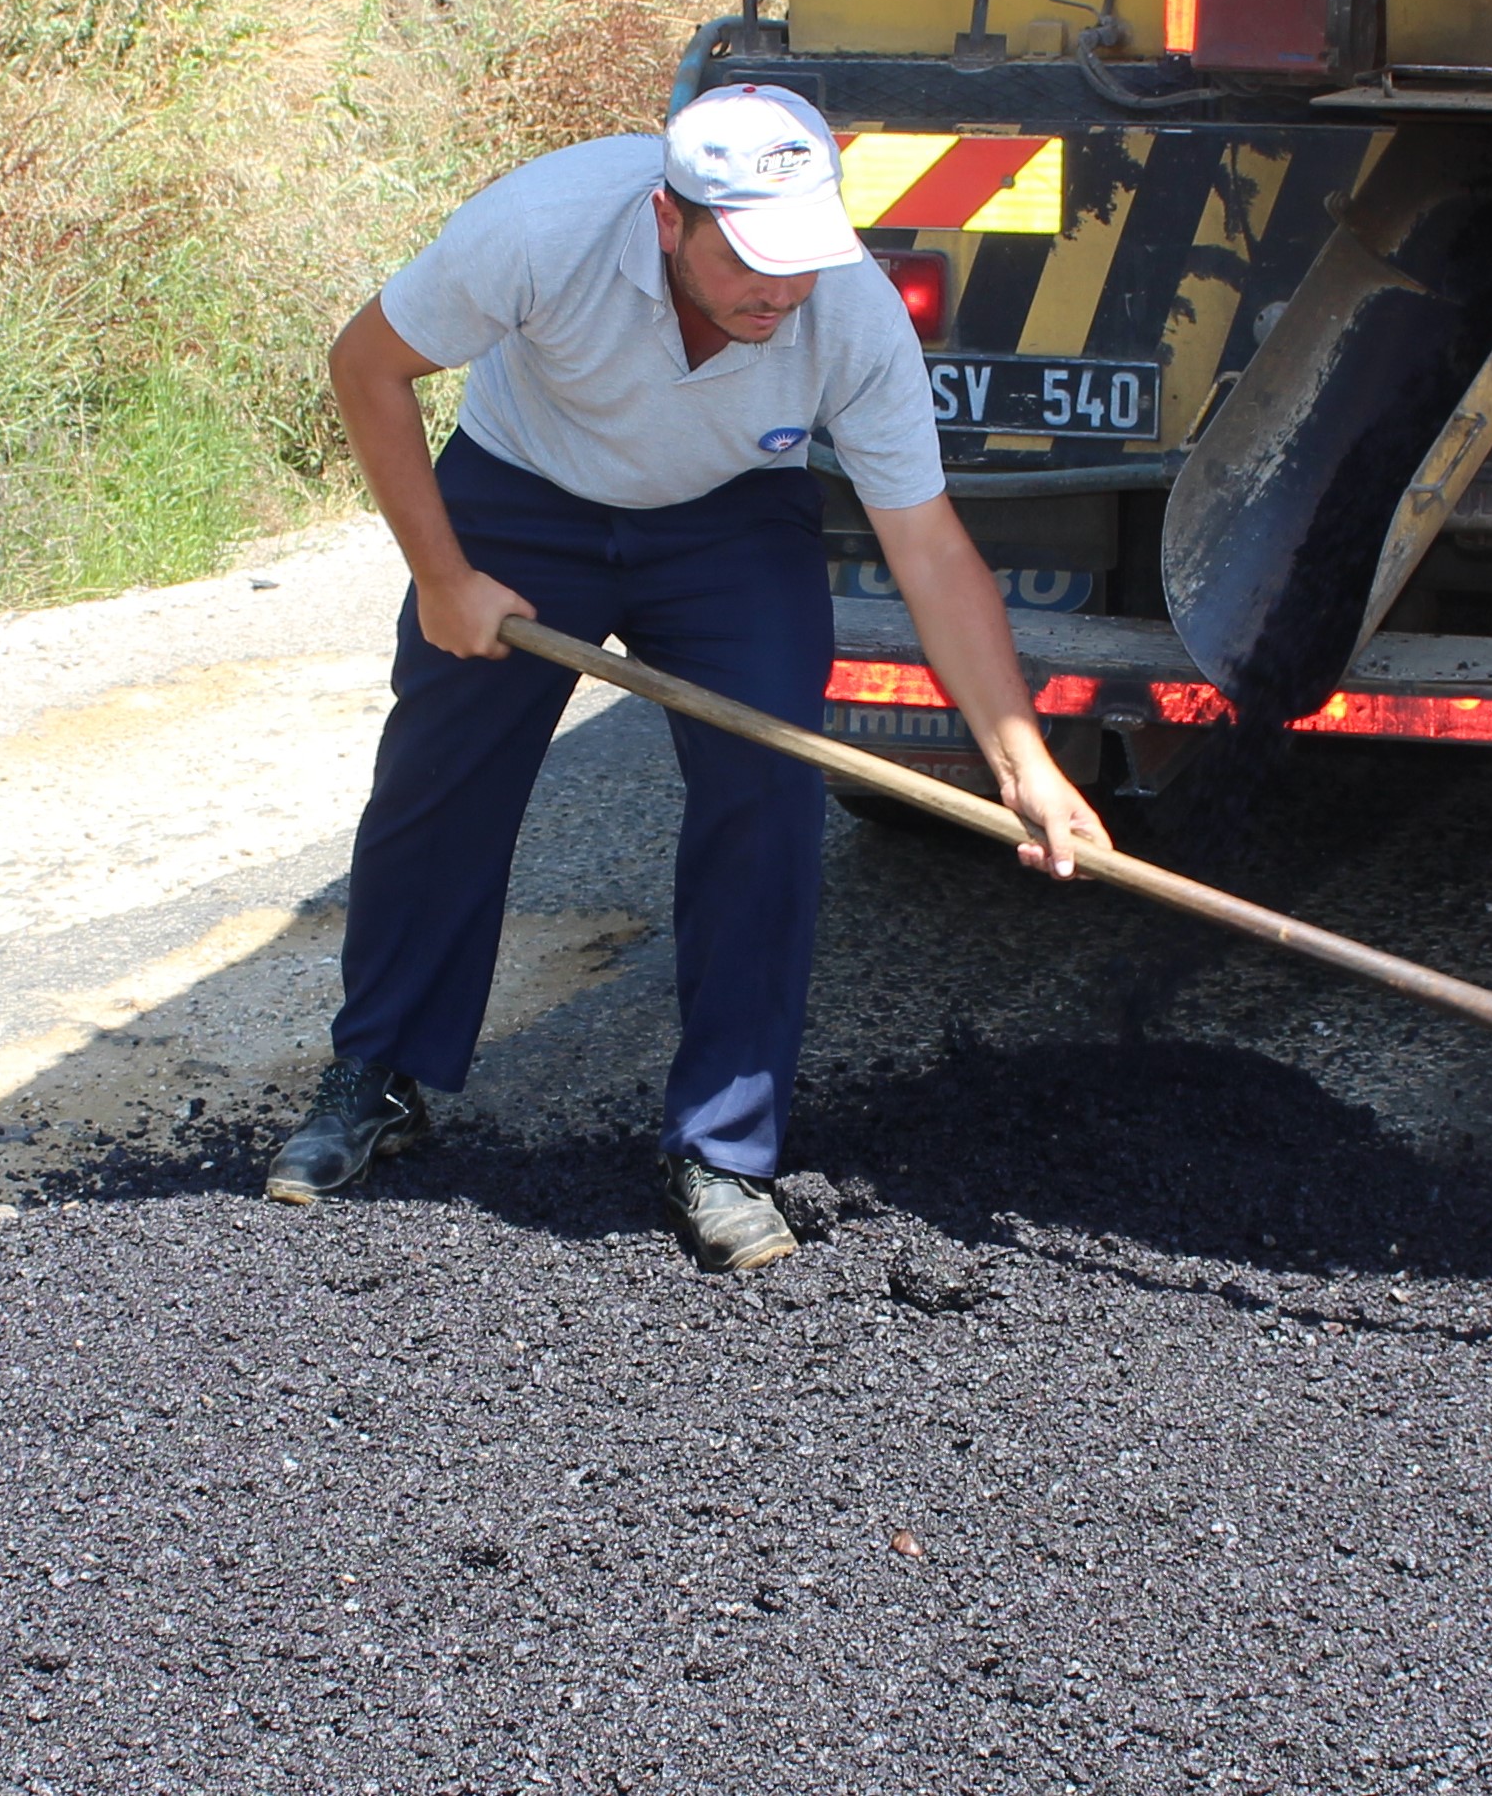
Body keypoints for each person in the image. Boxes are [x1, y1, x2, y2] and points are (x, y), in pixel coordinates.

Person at [265, 82, 1111, 1271]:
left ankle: (722, 1148)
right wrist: (444, 575)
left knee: (767, 792)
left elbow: (927, 545)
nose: (781, 292)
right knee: (438, 780)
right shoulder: (542, 228)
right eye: (752, 262)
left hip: (725, 519)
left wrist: (1020, 760)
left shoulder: (850, 313)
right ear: (670, 218)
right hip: (525, 493)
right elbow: (367, 367)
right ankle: (377, 1078)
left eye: (803, 260)